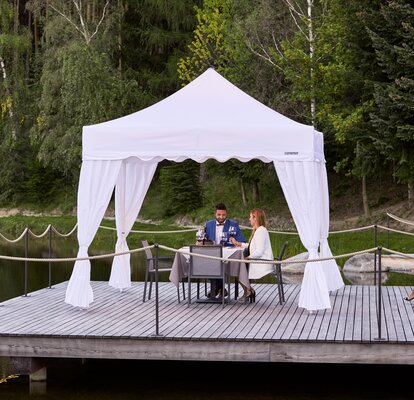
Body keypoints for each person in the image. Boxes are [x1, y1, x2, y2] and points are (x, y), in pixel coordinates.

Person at [230, 208, 274, 303]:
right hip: (258, 260)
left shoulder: (261, 231)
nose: (249, 219)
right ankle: (248, 290)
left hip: (262, 262)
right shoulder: (258, 230)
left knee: (236, 267)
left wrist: (247, 258)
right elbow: (251, 247)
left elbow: (259, 251)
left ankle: (248, 290)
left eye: (250, 217)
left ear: (255, 218)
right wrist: (238, 243)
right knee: (237, 266)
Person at [204, 203, 246, 298]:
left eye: (223, 215)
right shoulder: (209, 224)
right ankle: (220, 288)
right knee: (207, 261)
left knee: (215, 262)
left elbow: (242, 241)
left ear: (226, 214)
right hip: (211, 254)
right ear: (215, 214)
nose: (221, 217)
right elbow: (204, 239)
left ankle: (216, 288)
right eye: (219, 215)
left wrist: (234, 242)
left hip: (228, 256)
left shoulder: (233, 224)